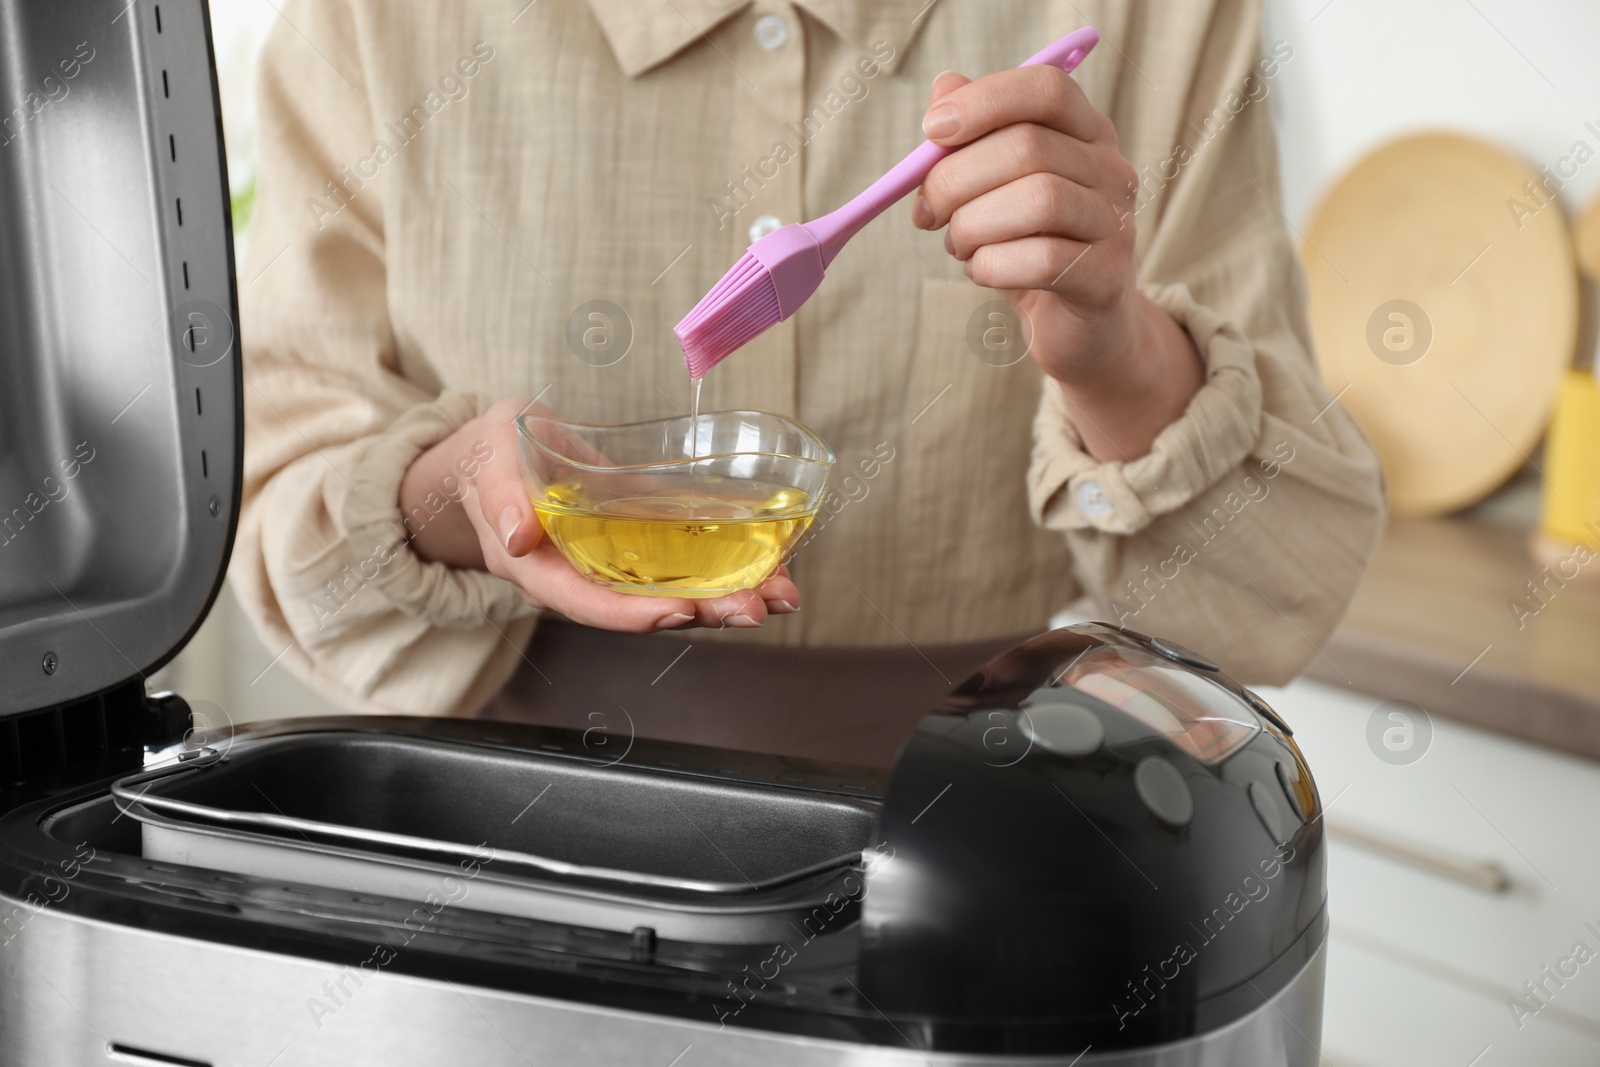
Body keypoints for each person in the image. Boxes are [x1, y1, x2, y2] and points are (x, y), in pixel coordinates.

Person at [234, 0, 1384, 765]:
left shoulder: (1155, 18)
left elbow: (1281, 597)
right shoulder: (378, 22)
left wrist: (1115, 353)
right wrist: (459, 500)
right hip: (515, 851)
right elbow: (277, 523)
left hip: (991, 847)